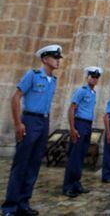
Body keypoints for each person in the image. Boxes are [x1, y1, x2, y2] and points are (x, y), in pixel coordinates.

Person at [1, 45, 63, 216]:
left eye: (59, 58)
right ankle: (10, 207)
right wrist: (17, 123)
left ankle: (23, 203)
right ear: (44, 59)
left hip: (43, 121)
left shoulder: (54, 80)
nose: (58, 60)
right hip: (29, 120)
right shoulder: (33, 75)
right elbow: (16, 97)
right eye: (54, 57)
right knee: (21, 164)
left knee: (34, 164)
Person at [62, 66, 102, 198]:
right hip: (79, 123)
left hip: (87, 125)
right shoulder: (81, 90)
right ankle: (68, 186)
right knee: (74, 156)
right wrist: (72, 128)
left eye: (96, 77)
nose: (94, 79)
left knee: (81, 155)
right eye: (92, 76)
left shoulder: (93, 93)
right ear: (87, 77)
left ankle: (76, 183)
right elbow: (72, 109)